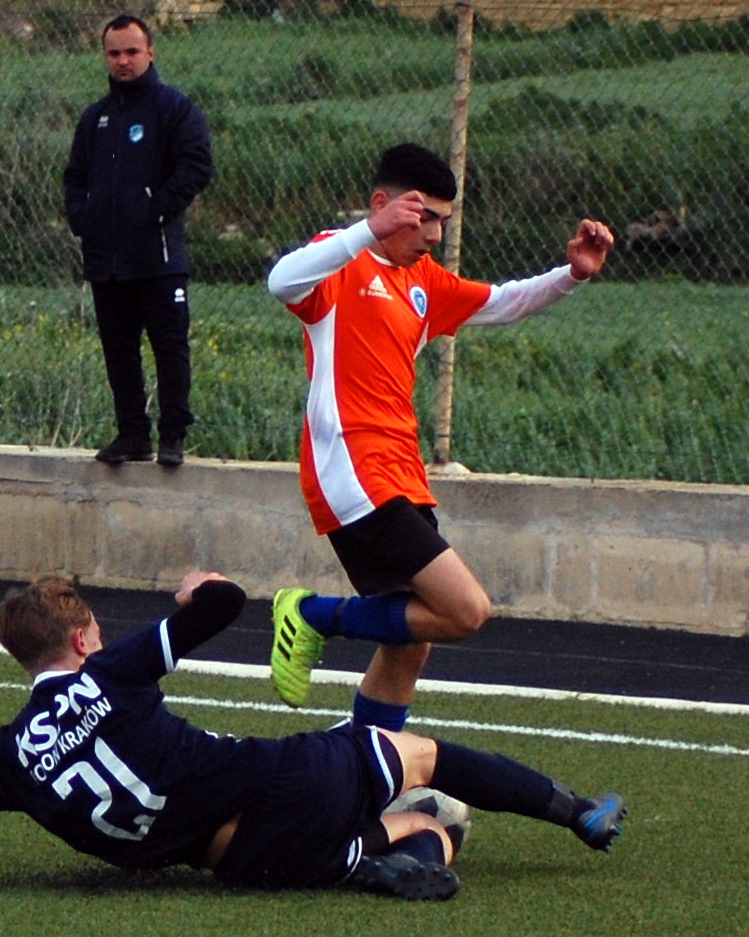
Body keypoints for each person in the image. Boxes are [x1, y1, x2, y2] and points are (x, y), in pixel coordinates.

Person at [0, 572, 627, 901]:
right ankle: (577, 811)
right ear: (83, 638)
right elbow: (225, 603)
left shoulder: (8, 755)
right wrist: (192, 590)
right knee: (428, 762)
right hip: (280, 782)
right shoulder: (108, 672)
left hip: (240, 861)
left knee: (423, 824)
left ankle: (373, 859)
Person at [263, 142, 615, 728]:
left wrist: (572, 275)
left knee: (411, 642)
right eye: (423, 216)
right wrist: (368, 231)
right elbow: (280, 282)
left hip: (402, 471)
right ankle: (312, 615)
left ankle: (369, 762)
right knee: (465, 609)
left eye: (443, 221)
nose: (434, 234)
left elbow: (503, 302)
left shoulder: (422, 280)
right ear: (383, 204)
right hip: (352, 468)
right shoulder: (339, 257)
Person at [62, 14, 213, 467]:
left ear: (150, 52)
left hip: (158, 257)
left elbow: (195, 166)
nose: (123, 61)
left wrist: (153, 211)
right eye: (114, 53)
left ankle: (173, 435)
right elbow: (75, 176)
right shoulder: (96, 118)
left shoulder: (174, 109)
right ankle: (132, 434)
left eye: (131, 51)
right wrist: (83, 218)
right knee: (119, 349)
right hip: (107, 260)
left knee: (169, 346)